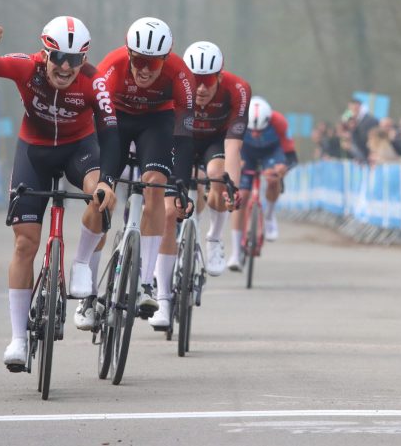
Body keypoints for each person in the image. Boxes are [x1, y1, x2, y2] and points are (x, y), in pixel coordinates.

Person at [0, 17, 119, 370]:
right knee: (24, 244)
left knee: (101, 197)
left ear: (84, 59)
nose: (65, 67)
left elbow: (111, 135)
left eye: (73, 60)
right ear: (45, 53)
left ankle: (82, 264)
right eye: (58, 57)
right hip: (34, 152)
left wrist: (107, 181)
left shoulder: (95, 82)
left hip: (80, 150)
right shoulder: (27, 67)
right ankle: (18, 338)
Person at [89, 16, 195, 328]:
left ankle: (146, 283)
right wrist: (104, 175)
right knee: (101, 194)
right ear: (128, 54)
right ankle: (88, 294)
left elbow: (185, 135)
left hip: (156, 123)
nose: (145, 70)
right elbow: (95, 122)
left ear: (166, 59)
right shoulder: (111, 67)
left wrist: (181, 183)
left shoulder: (181, 74)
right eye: (138, 61)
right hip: (115, 121)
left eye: (153, 63)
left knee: (156, 186)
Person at [148, 41, 250, 329]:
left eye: (208, 81)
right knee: (169, 212)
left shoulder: (238, 90)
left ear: (220, 76)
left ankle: (214, 238)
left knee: (218, 174)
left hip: (214, 142)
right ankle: (163, 300)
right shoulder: (176, 84)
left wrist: (232, 187)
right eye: (196, 80)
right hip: (181, 139)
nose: (201, 88)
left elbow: (233, 146)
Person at [226, 96, 297, 269]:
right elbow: (227, 147)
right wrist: (234, 162)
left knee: (273, 178)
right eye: (253, 130)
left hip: (271, 153)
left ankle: (270, 215)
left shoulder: (279, 122)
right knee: (241, 196)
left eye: (260, 131)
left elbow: (291, 156)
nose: (256, 134)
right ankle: (235, 253)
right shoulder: (236, 120)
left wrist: (283, 168)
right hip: (246, 152)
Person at [347, 98, 379, 162]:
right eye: (350, 108)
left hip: (370, 154)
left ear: (358, 106)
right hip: (360, 154)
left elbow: (374, 136)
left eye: (352, 108)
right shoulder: (353, 120)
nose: (351, 110)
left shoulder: (370, 120)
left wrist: (373, 152)